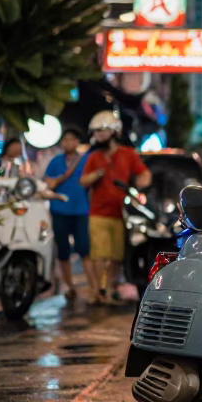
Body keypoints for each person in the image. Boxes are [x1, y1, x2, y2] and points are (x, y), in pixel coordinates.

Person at [80, 111, 151, 305]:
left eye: (101, 132)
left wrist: (140, 185)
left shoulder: (128, 154)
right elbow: (83, 181)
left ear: (114, 132)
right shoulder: (94, 156)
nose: (98, 137)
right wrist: (96, 175)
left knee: (116, 256)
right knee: (99, 255)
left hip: (121, 214)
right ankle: (96, 292)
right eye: (96, 133)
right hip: (98, 213)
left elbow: (144, 174)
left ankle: (110, 291)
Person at [44, 128, 90, 302]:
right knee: (63, 251)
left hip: (81, 211)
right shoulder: (55, 162)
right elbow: (48, 183)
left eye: (71, 139)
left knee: (85, 250)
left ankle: (91, 286)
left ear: (77, 141)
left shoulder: (86, 160)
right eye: (65, 139)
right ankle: (69, 286)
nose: (68, 143)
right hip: (60, 211)